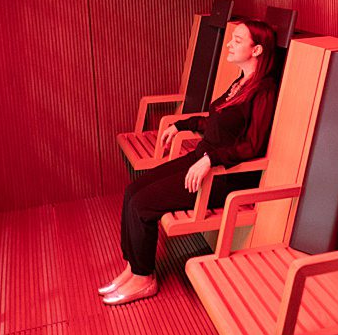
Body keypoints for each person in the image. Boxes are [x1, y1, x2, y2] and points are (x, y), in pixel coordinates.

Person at [100, 19, 279, 305]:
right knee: (133, 190)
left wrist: (212, 159)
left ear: (256, 49)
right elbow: (216, 121)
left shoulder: (264, 90)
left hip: (224, 175)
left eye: (238, 40)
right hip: (204, 159)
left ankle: (144, 278)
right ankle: (132, 268)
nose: (230, 44)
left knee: (143, 204)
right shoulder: (241, 82)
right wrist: (183, 124)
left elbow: (252, 146)